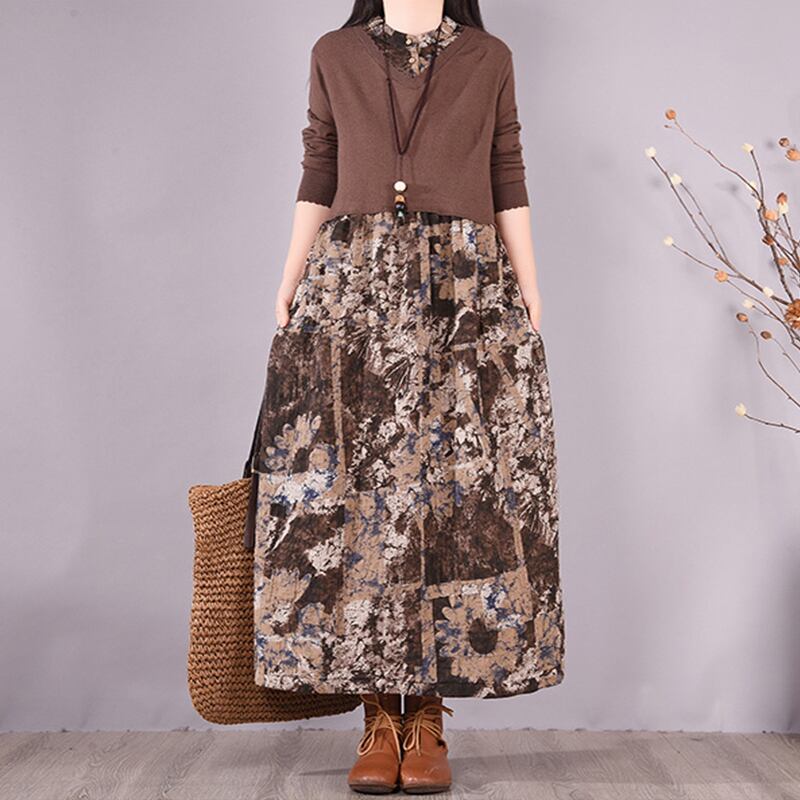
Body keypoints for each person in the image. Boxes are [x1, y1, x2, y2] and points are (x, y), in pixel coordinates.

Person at [251, 0, 565, 794]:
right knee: (355, 496)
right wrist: (288, 280)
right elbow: (320, 167)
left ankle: (424, 715)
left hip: (466, 290)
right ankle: (376, 717)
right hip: (351, 286)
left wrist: (531, 289)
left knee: (452, 496)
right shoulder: (335, 52)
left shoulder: (489, 57)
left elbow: (506, 171)